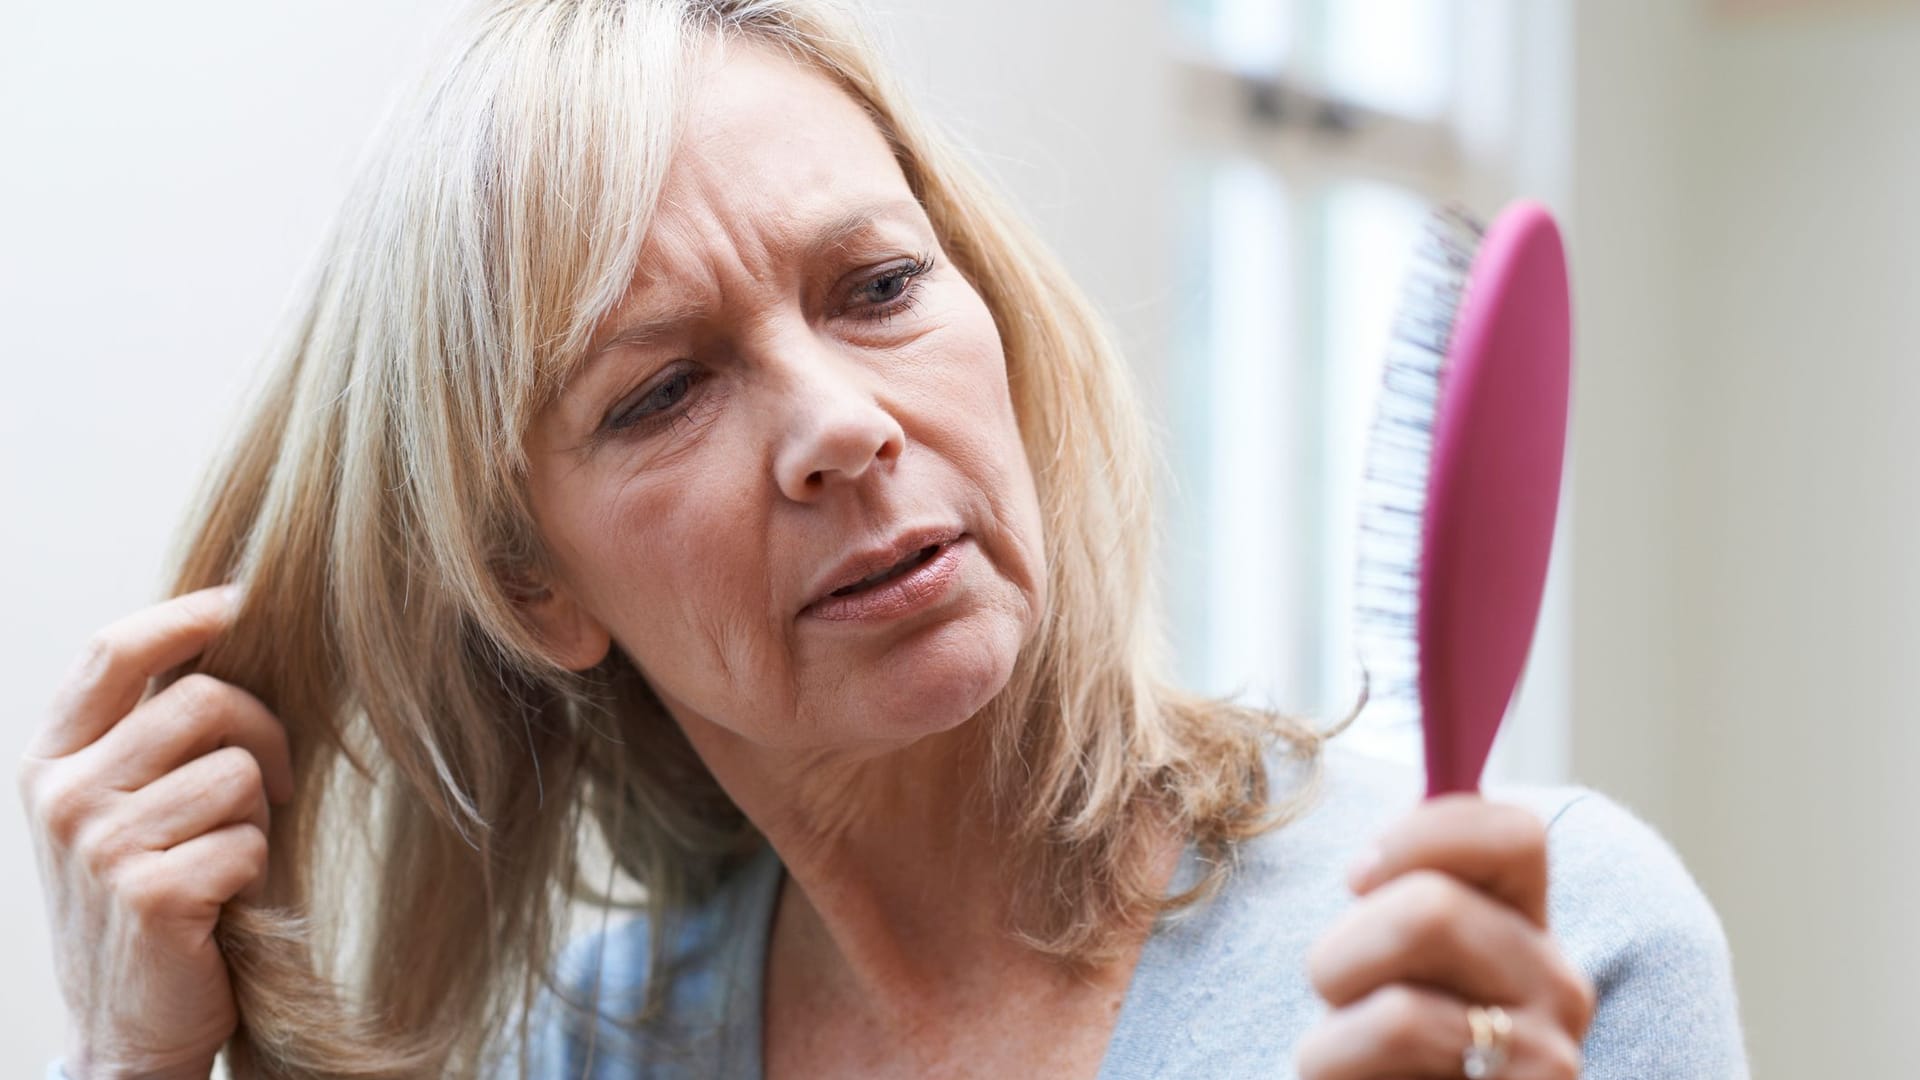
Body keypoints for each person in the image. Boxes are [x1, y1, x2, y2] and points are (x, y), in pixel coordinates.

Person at [17, 1, 1748, 1077]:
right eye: (663, 391)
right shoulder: (582, 1051)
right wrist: (129, 1062)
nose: (844, 423)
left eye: (879, 288)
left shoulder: (1556, 954)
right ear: (535, 585)